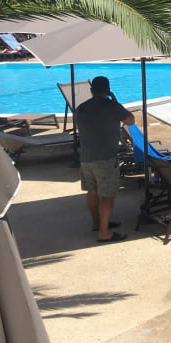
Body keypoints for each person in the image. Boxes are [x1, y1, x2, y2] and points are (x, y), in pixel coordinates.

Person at [75, 76, 135, 242]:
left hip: (86, 157)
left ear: (91, 90)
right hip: (105, 157)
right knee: (107, 195)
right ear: (108, 90)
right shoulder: (111, 106)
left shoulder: (81, 108)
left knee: (92, 191)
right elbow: (131, 120)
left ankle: (97, 223)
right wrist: (115, 102)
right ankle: (104, 232)